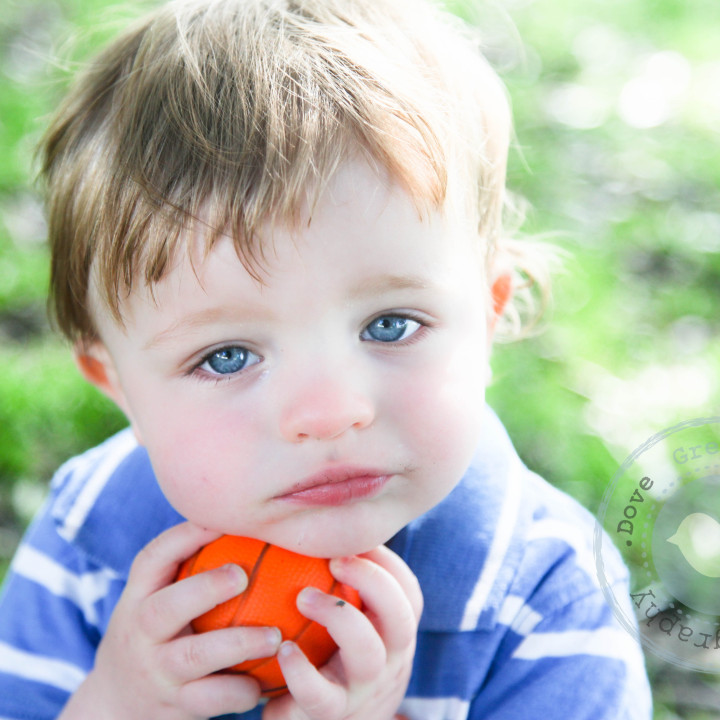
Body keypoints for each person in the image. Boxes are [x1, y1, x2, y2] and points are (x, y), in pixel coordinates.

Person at [0, 0, 652, 717]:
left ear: (489, 315)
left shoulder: (547, 589)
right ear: (119, 385)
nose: (330, 411)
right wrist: (114, 704)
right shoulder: (86, 538)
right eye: (225, 357)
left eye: (392, 323)